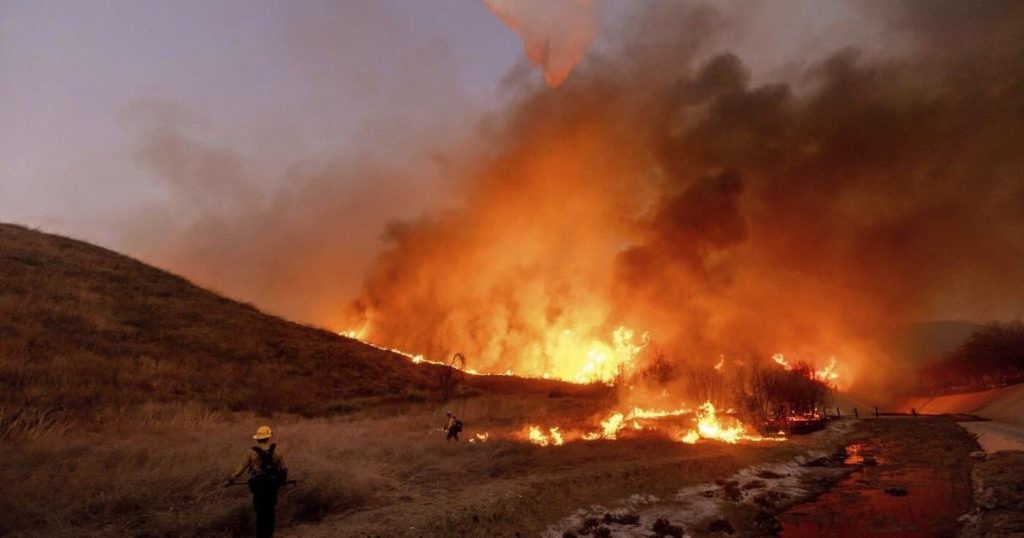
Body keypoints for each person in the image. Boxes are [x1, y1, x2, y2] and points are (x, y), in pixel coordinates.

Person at [225, 425, 288, 538]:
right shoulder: (277, 451)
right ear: (268, 437)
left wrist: (230, 480)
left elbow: (241, 469)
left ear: (258, 438)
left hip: (258, 487)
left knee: (260, 513)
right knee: (270, 512)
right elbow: (284, 469)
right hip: (272, 486)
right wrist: (281, 481)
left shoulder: (251, 452)